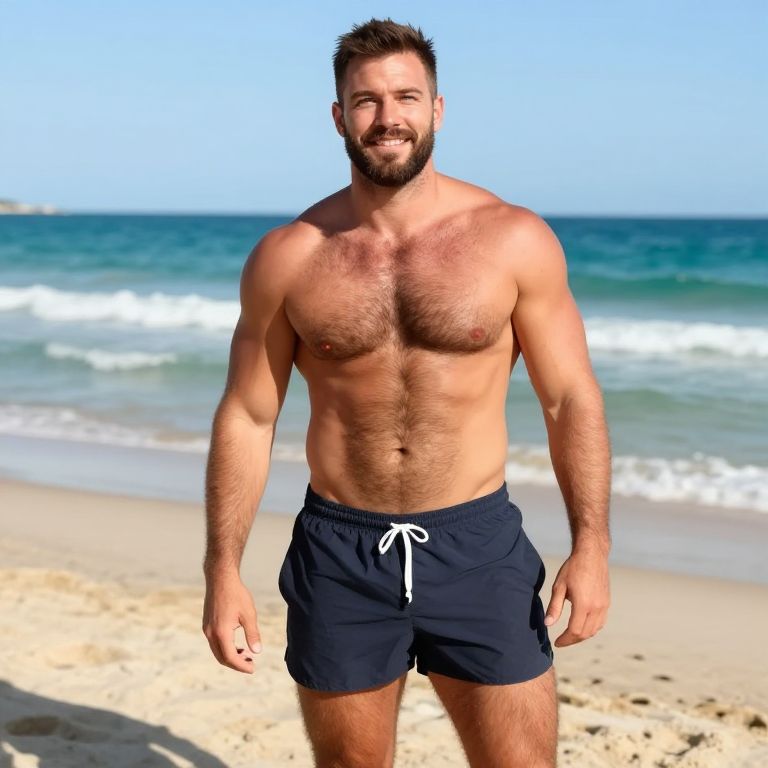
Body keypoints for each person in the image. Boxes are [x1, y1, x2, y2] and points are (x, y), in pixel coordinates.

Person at [202, 17, 611, 768]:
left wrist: (592, 544)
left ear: (437, 110)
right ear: (339, 117)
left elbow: (570, 400)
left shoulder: (513, 239)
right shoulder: (289, 256)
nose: (387, 117)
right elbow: (249, 417)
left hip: (477, 547)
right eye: (365, 101)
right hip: (340, 553)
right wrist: (221, 571)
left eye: (406, 97)